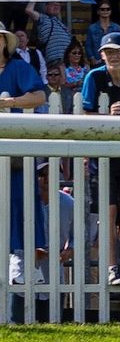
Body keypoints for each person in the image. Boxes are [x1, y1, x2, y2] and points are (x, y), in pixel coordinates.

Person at [79, 35, 120, 286]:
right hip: (103, 156)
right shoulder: (94, 77)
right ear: (101, 55)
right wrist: (107, 115)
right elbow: (86, 113)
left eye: (117, 51)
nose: (113, 56)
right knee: (108, 213)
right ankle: (112, 268)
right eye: (108, 52)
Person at [2, 30, 50, 290]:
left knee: (22, 200)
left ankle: (23, 260)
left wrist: (9, 102)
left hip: (15, 149)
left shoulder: (18, 67)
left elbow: (39, 96)